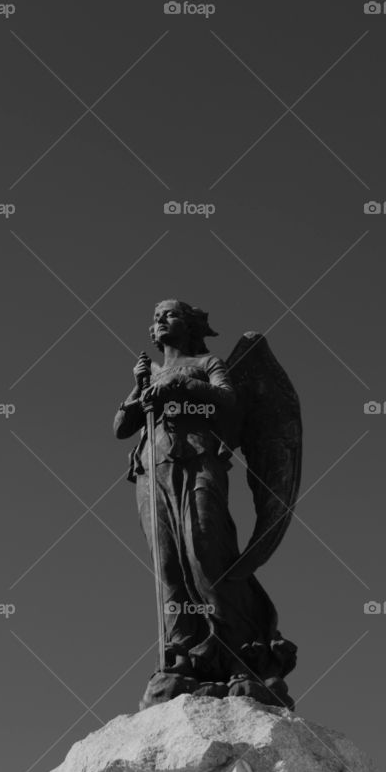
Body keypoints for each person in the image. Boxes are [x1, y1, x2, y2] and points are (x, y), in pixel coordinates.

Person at [114, 300, 295, 708]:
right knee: (168, 563)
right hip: (151, 469)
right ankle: (181, 655)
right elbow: (121, 428)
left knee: (204, 552)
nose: (160, 320)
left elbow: (228, 401)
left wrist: (183, 387)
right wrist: (138, 390)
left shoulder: (207, 362)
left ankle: (241, 654)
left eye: (170, 314)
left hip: (198, 461)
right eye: (155, 315)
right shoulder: (150, 372)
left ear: (192, 325)